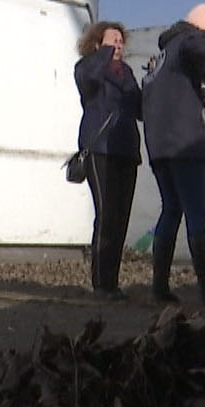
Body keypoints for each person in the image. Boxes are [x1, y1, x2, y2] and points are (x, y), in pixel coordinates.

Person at [140, 3, 205, 303]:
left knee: (171, 209)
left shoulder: (160, 58)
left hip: (159, 147)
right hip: (185, 143)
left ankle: (159, 287)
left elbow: (143, 103)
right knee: (196, 211)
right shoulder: (192, 39)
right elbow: (203, 53)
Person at [73, 20, 142, 300]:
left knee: (121, 217)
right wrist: (103, 53)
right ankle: (101, 283)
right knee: (106, 215)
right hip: (99, 148)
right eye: (112, 40)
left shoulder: (126, 73)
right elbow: (88, 77)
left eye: (121, 41)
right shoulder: (87, 67)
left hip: (126, 149)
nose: (118, 45)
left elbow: (140, 110)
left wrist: (149, 81)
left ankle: (112, 283)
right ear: (97, 45)